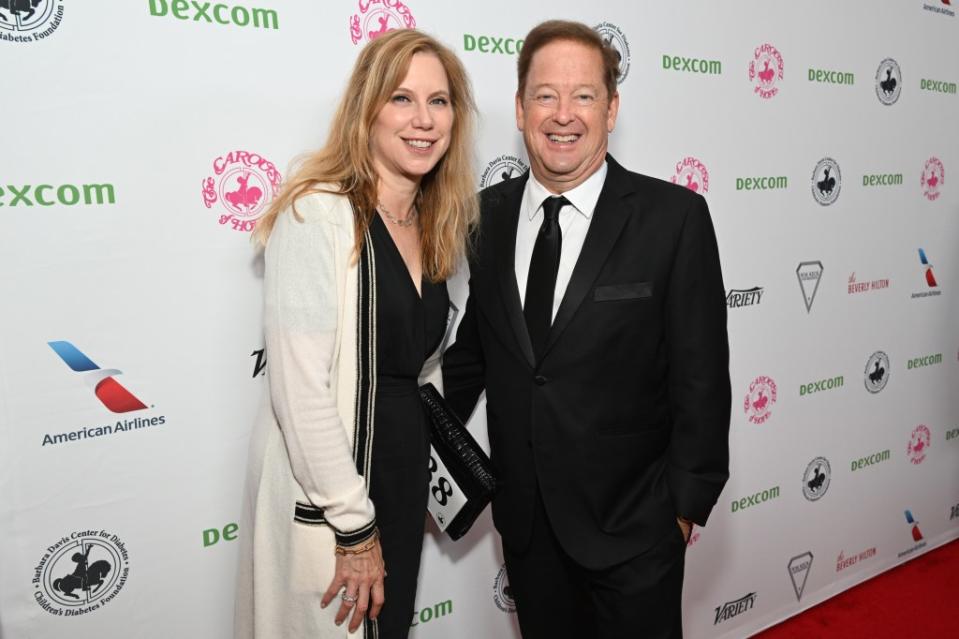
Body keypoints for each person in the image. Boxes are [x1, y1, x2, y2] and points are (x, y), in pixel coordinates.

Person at [442, 20, 730, 639]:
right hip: (525, 529)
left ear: (612, 107)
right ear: (520, 110)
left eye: (584, 95)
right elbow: (474, 357)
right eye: (545, 95)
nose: (563, 114)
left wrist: (682, 510)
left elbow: (701, 374)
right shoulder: (485, 217)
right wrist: (394, 437)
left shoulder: (672, 218)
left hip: (635, 528)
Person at [235, 29, 477, 639]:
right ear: (366, 109)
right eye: (402, 99)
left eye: (439, 101)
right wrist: (352, 524)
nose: (423, 120)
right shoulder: (318, 211)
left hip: (397, 472)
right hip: (336, 490)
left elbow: (422, 371)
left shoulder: (432, 221)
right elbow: (301, 389)